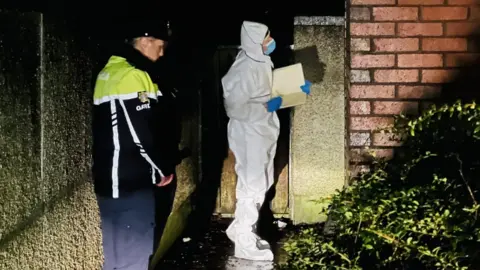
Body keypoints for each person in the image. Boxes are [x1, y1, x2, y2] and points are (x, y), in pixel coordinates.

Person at [221, 20, 311, 261]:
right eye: (265, 38)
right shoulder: (244, 68)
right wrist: (272, 103)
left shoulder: (260, 61)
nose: (270, 41)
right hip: (250, 133)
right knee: (253, 184)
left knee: (261, 181)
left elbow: (266, 93)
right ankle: (243, 240)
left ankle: (242, 229)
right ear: (253, 41)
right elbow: (236, 106)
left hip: (261, 131)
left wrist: (294, 90)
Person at [92, 19, 175, 270]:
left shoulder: (111, 71)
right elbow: (140, 135)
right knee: (135, 257)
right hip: (132, 181)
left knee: (116, 257)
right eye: (159, 47)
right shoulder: (132, 75)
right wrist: (161, 170)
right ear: (145, 42)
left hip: (112, 180)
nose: (161, 54)